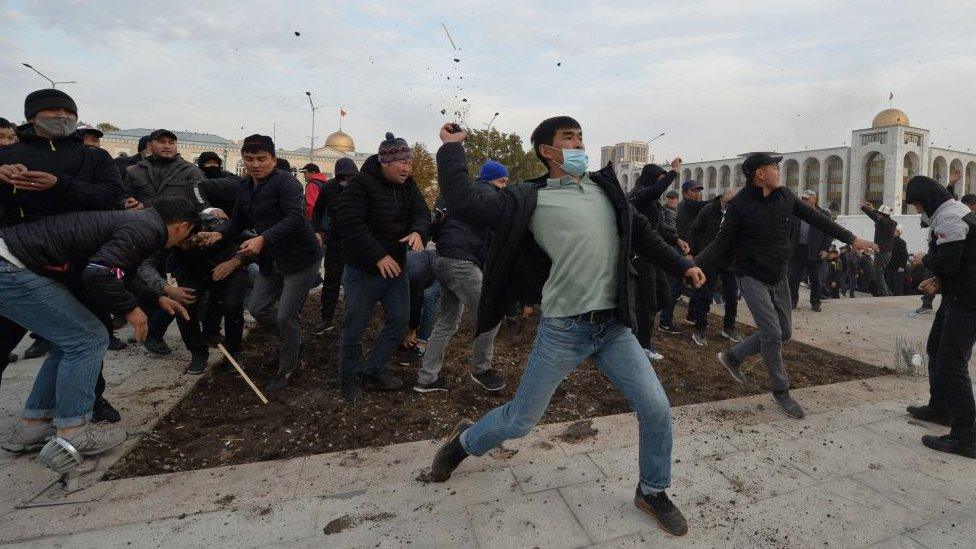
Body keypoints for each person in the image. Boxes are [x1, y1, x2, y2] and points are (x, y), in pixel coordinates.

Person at [427, 118, 705, 537]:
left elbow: (642, 234)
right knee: (521, 420)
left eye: (581, 137)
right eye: (568, 139)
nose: (579, 145)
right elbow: (465, 202)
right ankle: (464, 443)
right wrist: (451, 148)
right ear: (547, 151)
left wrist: (682, 265)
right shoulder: (528, 196)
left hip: (612, 327)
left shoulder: (605, 189)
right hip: (564, 328)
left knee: (656, 407)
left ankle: (652, 490)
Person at [0, 198, 195, 455]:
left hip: (12, 260)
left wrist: (156, 297)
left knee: (69, 341)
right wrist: (130, 309)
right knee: (89, 338)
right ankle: (73, 432)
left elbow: (121, 271)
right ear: (182, 226)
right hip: (13, 268)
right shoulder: (151, 230)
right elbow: (99, 272)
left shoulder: (140, 221)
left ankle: (33, 426)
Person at [696, 152, 876, 419]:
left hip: (778, 274)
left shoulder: (785, 197)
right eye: (774, 168)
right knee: (771, 332)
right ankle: (781, 391)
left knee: (784, 333)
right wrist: (691, 266)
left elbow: (818, 220)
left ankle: (733, 357)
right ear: (759, 174)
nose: (778, 172)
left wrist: (851, 238)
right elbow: (721, 242)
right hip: (751, 275)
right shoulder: (740, 205)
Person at [0, 88, 126, 422]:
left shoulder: (94, 158)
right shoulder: (8, 156)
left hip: (79, 258)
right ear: (31, 117)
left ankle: (89, 399)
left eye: (67, 111)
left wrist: (59, 184)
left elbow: (111, 197)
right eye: (52, 111)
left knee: (89, 333)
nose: (61, 117)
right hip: (20, 262)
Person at [197, 135, 321, 391]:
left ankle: (287, 370)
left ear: (273, 160)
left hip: (299, 259)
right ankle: (293, 342)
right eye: (249, 159)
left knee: (286, 315)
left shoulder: (287, 184)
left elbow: (295, 219)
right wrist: (220, 233)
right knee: (258, 307)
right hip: (271, 260)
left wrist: (263, 238)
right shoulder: (245, 187)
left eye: (261, 159)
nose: (255, 164)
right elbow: (239, 220)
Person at [335, 133, 430, 401]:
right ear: (385, 162)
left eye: (409, 162)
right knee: (355, 325)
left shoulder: (408, 186)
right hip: (363, 270)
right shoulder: (360, 185)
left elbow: (423, 213)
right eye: (401, 162)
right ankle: (349, 377)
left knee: (400, 320)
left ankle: (374, 369)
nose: (407, 168)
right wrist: (378, 256)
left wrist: (418, 232)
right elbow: (350, 224)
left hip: (396, 270)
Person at [415, 160, 509, 393]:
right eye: (502, 181)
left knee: (446, 322)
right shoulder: (487, 194)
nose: (504, 186)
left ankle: (427, 378)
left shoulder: (460, 194)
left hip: (443, 259)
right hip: (461, 264)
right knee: (490, 315)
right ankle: (481, 371)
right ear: (491, 179)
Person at [903, 176, 976, 459]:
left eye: (919, 204)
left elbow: (948, 261)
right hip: (958, 294)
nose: (919, 210)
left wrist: (924, 259)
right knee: (935, 349)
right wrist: (939, 281)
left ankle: (965, 437)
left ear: (929, 199)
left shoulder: (951, 219)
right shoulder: (950, 212)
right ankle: (940, 408)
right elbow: (961, 262)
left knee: (951, 364)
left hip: (968, 301)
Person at [629, 160, 684, 360]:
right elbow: (655, 190)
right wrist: (673, 172)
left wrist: (676, 239)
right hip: (639, 257)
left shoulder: (653, 202)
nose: (662, 185)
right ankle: (642, 345)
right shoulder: (639, 195)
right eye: (660, 180)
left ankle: (634, 332)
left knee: (663, 296)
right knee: (648, 303)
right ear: (652, 178)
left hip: (653, 255)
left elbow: (658, 228)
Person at [310, 157, 359, 335]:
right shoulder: (329, 187)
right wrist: (316, 230)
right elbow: (317, 209)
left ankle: (353, 320)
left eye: (349, 177)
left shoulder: (362, 186)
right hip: (336, 241)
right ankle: (326, 318)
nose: (345, 180)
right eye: (342, 177)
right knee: (331, 281)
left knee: (354, 283)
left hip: (358, 242)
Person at [688, 187, 741, 344]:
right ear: (723, 198)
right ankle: (700, 328)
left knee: (732, 294)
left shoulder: (738, 212)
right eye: (730, 202)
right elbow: (694, 230)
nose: (733, 205)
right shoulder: (709, 210)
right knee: (706, 293)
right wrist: (692, 253)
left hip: (729, 259)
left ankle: (729, 327)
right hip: (709, 257)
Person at [658, 181, 704, 333]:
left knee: (695, 285)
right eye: (693, 190)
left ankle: (691, 315)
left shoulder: (690, 207)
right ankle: (665, 322)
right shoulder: (688, 205)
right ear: (685, 193)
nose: (697, 193)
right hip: (683, 253)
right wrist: (723, 198)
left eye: (699, 190)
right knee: (676, 287)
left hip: (689, 253)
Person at [124, 129, 204, 209]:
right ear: (149, 146)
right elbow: (123, 198)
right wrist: (125, 203)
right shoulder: (134, 171)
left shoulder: (191, 171)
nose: (167, 146)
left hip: (177, 220)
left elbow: (199, 203)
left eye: (171, 143)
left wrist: (146, 205)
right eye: (161, 142)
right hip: (142, 219)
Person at [788, 190, 834, 312]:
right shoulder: (796, 213)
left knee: (816, 279)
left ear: (814, 199)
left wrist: (825, 249)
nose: (804, 201)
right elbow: (789, 230)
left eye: (806, 199)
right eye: (803, 199)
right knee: (793, 278)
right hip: (797, 250)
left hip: (816, 250)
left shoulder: (823, 214)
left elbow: (829, 233)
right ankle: (792, 301)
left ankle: (815, 302)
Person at [860, 200, 897, 296]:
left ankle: (884, 293)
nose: (878, 215)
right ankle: (887, 291)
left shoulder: (884, 222)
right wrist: (870, 209)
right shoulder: (890, 222)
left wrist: (868, 209)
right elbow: (876, 217)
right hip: (887, 251)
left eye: (880, 214)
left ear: (882, 214)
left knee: (878, 273)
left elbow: (875, 217)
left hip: (882, 251)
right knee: (879, 272)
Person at [886, 226, 909, 296]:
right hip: (889, 267)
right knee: (889, 285)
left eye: (895, 231)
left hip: (898, 269)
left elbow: (905, 256)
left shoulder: (901, 242)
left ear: (898, 232)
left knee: (897, 286)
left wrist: (902, 267)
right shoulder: (888, 241)